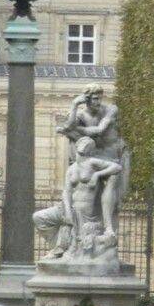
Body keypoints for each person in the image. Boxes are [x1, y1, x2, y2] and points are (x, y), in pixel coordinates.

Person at [56, 85, 129, 241]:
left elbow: (99, 130)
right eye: (94, 98)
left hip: (111, 155)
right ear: (86, 99)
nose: (98, 101)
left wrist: (71, 130)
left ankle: (109, 229)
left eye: (99, 98)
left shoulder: (111, 109)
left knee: (112, 177)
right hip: (93, 156)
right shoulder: (81, 114)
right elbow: (70, 125)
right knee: (80, 175)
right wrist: (74, 105)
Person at [33, 137, 121, 259]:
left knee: (113, 177)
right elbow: (66, 192)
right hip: (69, 208)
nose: (84, 146)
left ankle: (64, 248)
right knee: (39, 217)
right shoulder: (71, 169)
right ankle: (57, 247)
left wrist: (97, 174)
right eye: (83, 143)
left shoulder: (92, 162)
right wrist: (68, 212)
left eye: (88, 145)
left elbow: (117, 167)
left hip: (85, 211)